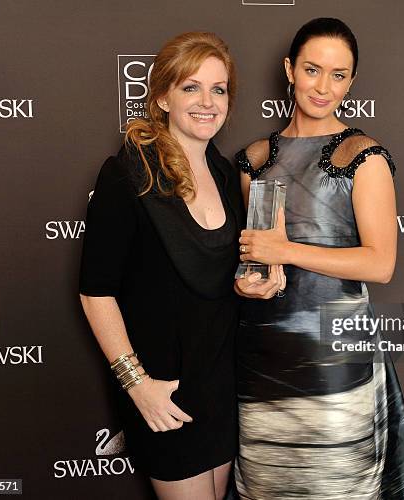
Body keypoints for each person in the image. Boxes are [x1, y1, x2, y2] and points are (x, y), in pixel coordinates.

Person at [79, 32, 279, 500]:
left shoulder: (227, 173)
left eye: (219, 88)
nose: (207, 101)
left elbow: (218, 276)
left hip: (219, 383)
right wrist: (138, 385)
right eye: (191, 87)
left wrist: (259, 283)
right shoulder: (129, 173)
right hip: (162, 388)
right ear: (162, 97)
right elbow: (96, 292)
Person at [233, 18, 404, 499]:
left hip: (335, 361)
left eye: (339, 75)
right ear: (289, 69)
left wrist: (286, 251)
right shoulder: (254, 159)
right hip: (262, 357)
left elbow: (381, 264)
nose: (324, 86)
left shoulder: (363, 155)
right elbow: (254, 258)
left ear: (351, 81)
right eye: (313, 70)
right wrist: (246, 279)